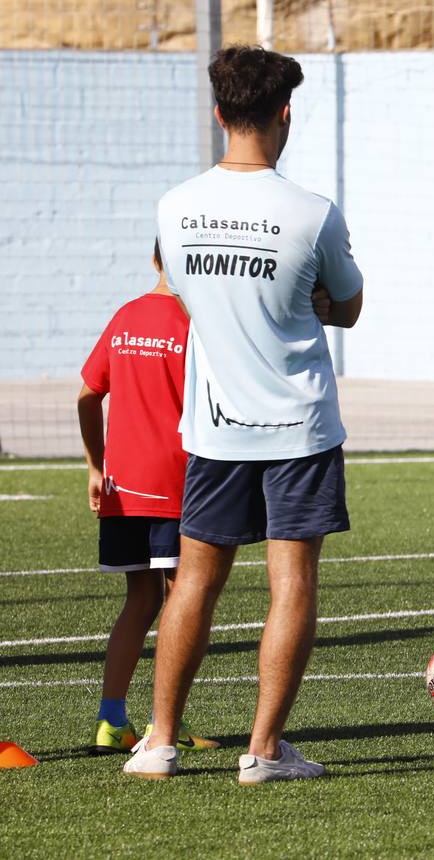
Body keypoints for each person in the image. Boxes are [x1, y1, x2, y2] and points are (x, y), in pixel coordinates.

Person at [122, 44, 363, 784]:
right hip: (299, 426)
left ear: (219, 113)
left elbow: (191, 296)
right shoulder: (313, 213)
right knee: (291, 582)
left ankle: (159, 742)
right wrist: (312, 300)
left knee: (194, 579)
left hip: (216, 428)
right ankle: (262, 752)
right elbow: (346, 307)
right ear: (285, 113)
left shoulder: (174, 206)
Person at [77, 244, 219, 756]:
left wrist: (96, 466)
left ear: (155, 261)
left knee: (140, 601)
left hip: (123, 486)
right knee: (188, 599)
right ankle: (165, 726)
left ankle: (111, 720)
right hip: (179, 487)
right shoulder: (197, 323)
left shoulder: (125, 316)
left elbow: (88, 393)